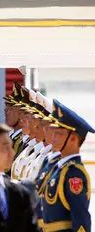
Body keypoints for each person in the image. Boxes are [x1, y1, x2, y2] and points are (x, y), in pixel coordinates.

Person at [39, 99, 94, 232]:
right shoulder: (57, 167)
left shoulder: (73, 173)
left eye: (59, 134)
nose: (53, 137)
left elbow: (81, 219)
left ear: (73, 139)